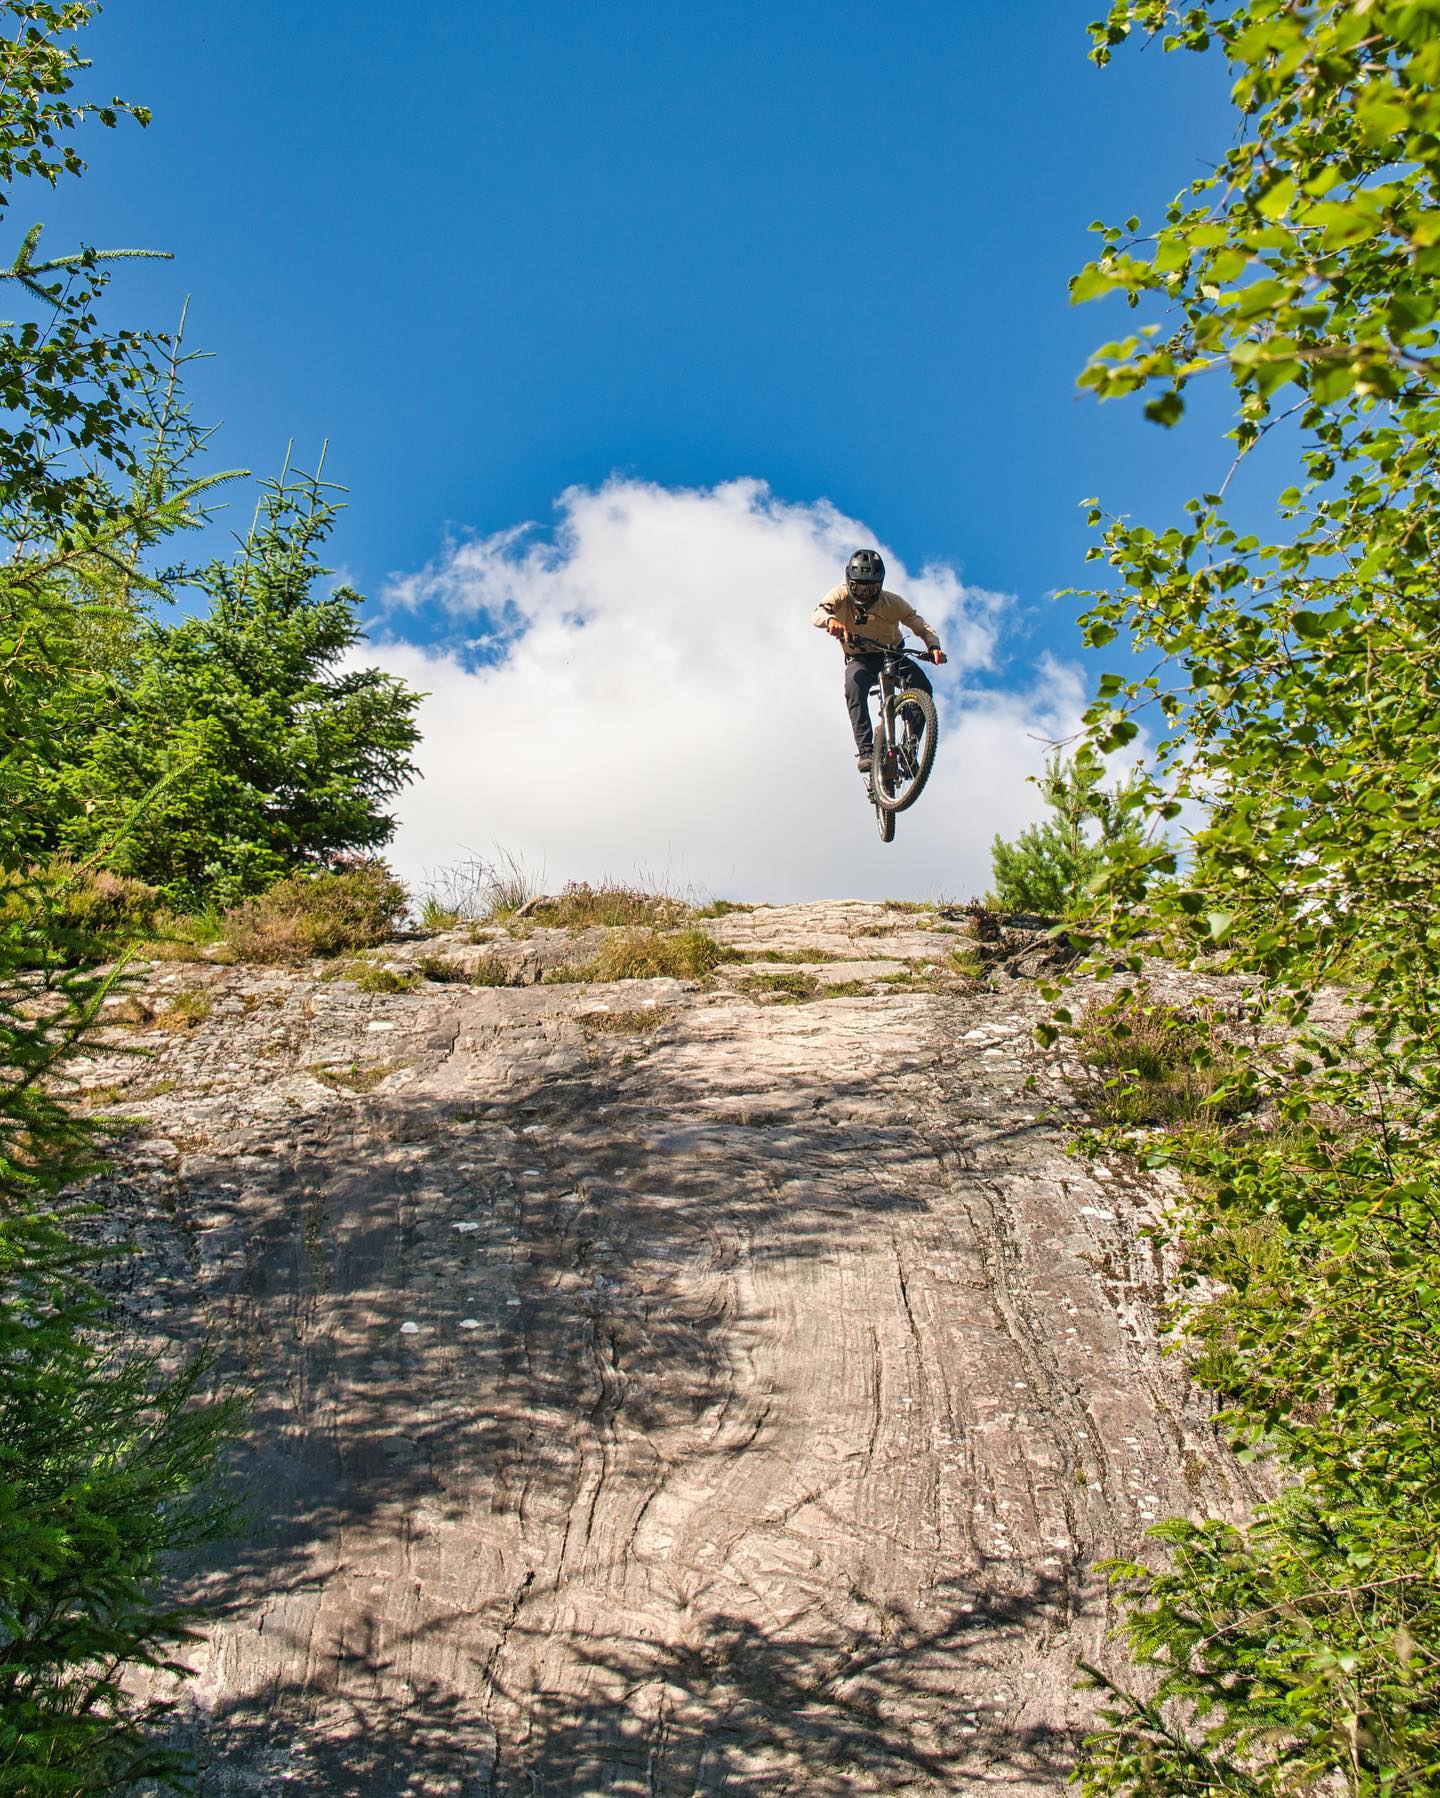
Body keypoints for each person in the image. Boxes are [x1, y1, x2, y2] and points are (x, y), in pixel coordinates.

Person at [812, 549, 948, 773]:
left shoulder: (892, 602)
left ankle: (909, 747)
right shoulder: (840, 595)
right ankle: (866, 751)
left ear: (880, 585)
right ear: (849, 582)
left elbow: (919, 625)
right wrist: (831, 621)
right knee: (853, 689)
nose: (865, 593)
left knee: (923, 687)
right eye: (859, 586)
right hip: (859, 658)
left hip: (891, 654)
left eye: (871, 588)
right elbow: (817, 614)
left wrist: (934, 647)